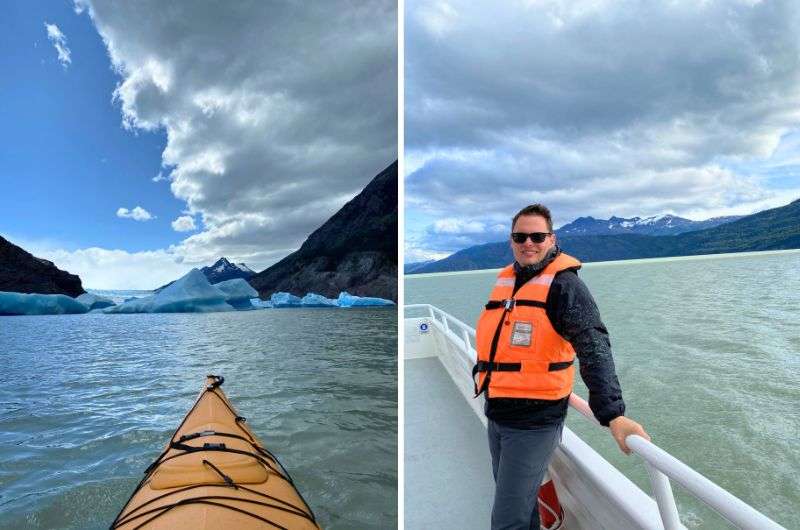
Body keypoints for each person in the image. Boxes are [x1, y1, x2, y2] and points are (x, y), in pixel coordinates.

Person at [472, 203, 649, 530]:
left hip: (534, 421)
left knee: (506, 520)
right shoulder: (510, 281)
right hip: (498, 412)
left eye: (537, 236)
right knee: (519, 505)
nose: (528, 242)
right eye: (520, 236)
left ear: (551, 239)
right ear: (511, 240)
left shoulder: (565, 287)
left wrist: (612, 414)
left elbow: (594, 345)